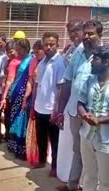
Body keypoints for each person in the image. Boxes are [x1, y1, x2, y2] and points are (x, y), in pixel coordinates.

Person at [56, 20, 103, 191]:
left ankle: (95, 190)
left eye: (91, 33)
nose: (87, 36)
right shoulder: (78, 53)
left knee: (97, 151)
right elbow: (68, 81)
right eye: (86, 33)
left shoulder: (103, 56)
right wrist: (60, 110)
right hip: (76, 110)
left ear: (100, 35)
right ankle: (73, 184)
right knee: (79, 149)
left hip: (96, 115)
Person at [76, 45, 109, 191]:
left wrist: (100, 120)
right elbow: (80, 103)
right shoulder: (90, 80)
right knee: (89, 172)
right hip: (87, 133)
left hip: (106, 139)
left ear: (106, 62)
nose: (92, 62)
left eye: (95, 59)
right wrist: (85, 116)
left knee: (106, 179)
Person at [31, 32, 65, 177]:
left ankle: (55, 167)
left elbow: (60, 88)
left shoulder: (59, 63)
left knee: (55, 140)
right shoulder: (42, 61)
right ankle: (42, 160)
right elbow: (36, 84)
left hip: (52, 109)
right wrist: (33, 105)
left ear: (57, 45)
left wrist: (56, 110)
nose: (49, 47)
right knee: (41, 137)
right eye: (46, 44)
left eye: (52, 44)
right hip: (40, 107)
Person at [57, 19, 85, 182]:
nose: (73, 34)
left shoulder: (90, 51)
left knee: (81, 147)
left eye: (77, 30)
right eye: (70, 32)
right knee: (67, 142)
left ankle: (78, 180)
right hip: (69, 102)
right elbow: (66, 80)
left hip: (82, 106)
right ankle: (67, 177)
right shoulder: (70, 51)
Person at [4, 39, 32, 160]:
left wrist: (25, 97)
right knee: (13, 120)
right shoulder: (17, 61)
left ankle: (21, 149)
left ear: (25, 49)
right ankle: (13, 145)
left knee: (21, 122)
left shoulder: (31, 61)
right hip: (15, 94)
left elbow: (31, 80)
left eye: (19, 49)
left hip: (23, 96)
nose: (18, 52)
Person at [22, 40, 45, 165]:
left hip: (47, 101)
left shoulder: (50, 63)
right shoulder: (34, 62)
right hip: (35, 97)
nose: (37, 53)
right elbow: (30, 82)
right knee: (34, 129)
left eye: (39, 51)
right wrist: (26, 98)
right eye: (35, 52)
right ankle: (35, 156)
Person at [0, 40, 20, 141]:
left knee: (15, 116)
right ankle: (8, 136)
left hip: (17, 93)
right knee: (7, 115)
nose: (9, 54)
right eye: (7, 52)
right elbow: (5, 76)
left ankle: (13, 138)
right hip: (7, 92)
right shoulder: (7, 62)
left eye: (11, 51)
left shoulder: (21, 62)